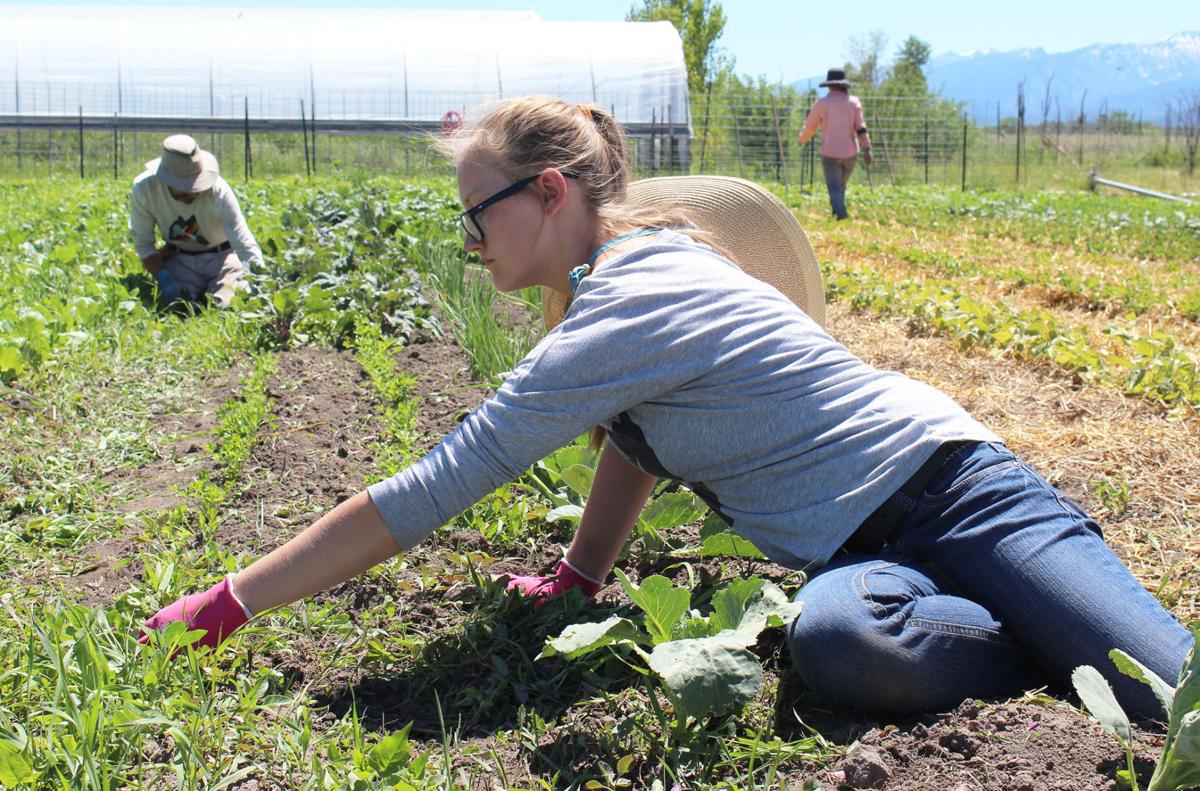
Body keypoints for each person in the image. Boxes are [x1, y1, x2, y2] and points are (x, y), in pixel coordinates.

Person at [142, 96, 1192, 719]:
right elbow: (637, 445)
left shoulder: (634, 297)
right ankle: (1044, 638)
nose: (471, 243)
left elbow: (435, 486)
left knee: (1168, 693)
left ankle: (1063, 626)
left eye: (477, 216)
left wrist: (230, 600)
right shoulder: (616, 287)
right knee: (836, 642)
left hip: (960, 493)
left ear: (548, 192)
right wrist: (581, 573)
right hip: (858, 558)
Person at [130, 134, 262, 308]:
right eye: (186, 186)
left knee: (227, 306)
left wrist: (260, 284)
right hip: (180, 258)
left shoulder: (218, 192)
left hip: (223, 257)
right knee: (178, 306)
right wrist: (165, 278)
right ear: (166, 179)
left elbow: (243, 243)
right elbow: (144, 244)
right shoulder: (145, 189)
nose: (194, 191)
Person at [796, 68, 873, 221]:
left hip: (830, 153)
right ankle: (837, 212)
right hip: (850, 153)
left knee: (834, 187)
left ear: (829, 85)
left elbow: (810, 127)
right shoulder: (854, 103)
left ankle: (841, 216)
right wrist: (867, 148)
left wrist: (801, 139)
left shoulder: (822, 104)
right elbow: (861, 128)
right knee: (840, 186)